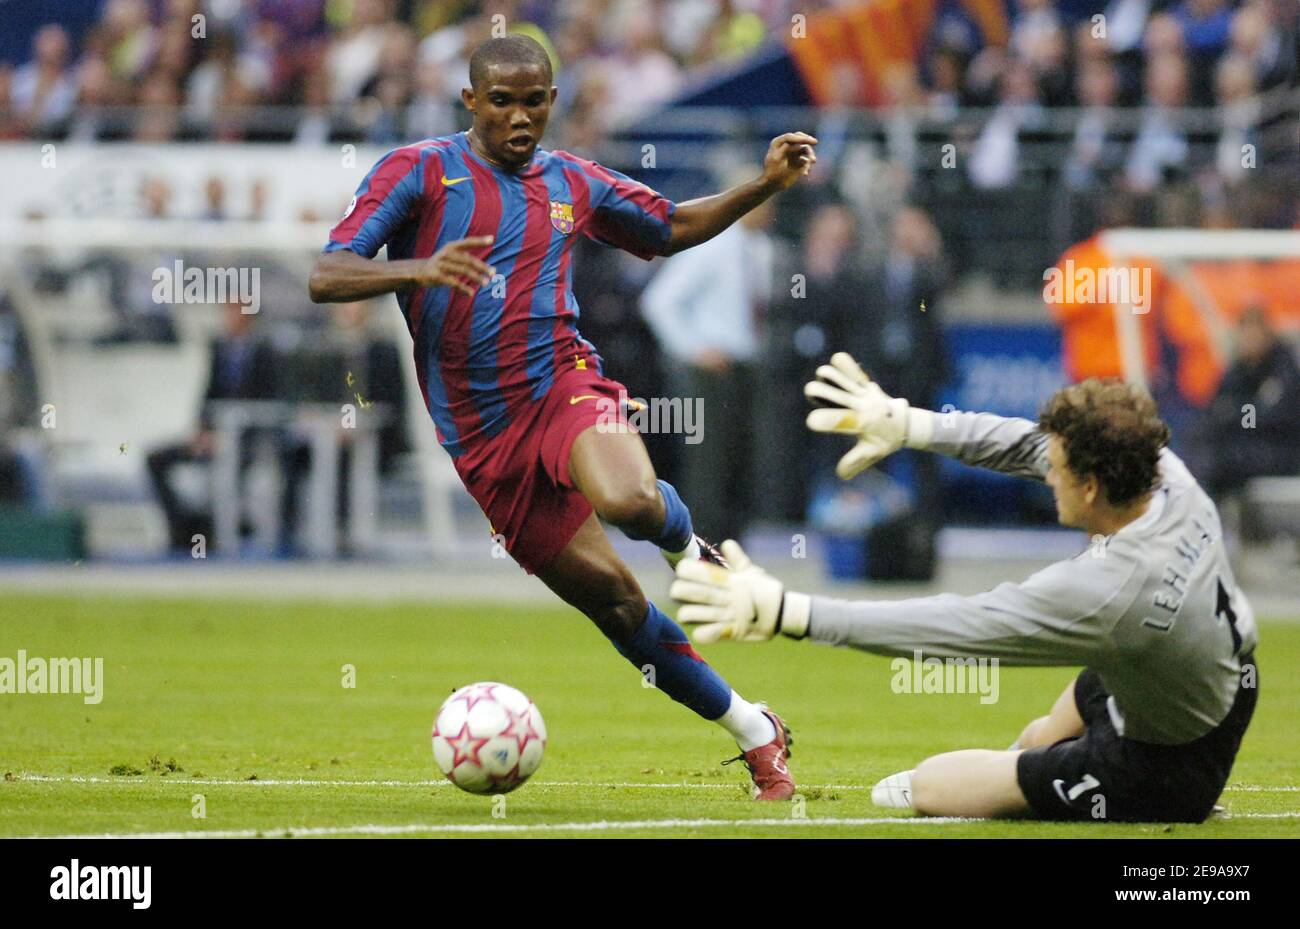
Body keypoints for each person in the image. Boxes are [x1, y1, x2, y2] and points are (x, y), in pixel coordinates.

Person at [308, 35, 818, 799]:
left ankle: (690, 548)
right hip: (481, 438)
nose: (521, 117)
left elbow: (670, 227)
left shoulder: (572, 180)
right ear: (471, 102)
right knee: (617, 605)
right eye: (503, 101)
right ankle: (754, 729)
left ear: (553, 101)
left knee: (630, 500)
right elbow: (326, 272)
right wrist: (417, 267)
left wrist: (763, 186)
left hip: (561, 382)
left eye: (535, 101)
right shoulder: (417, 170)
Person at [672, 352, 1258, 822]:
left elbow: (959, 628)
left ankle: (1053, 787)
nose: (1044, 470)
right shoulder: (1163, 473)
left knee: (926, 788)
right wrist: (908, 423)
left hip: (1165, 760)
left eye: (1057, 468)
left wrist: (789, 612)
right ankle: (1038, 771)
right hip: (1199, 677)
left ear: (1090, 488)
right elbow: (1025, 444)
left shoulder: (1113, 590)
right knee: (1037, 737)